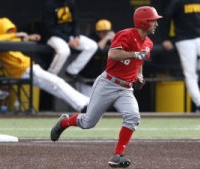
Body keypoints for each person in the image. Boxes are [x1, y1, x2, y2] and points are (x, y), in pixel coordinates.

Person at [50, 6, 162, 168]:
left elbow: (140, 61)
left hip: (126, 88)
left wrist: (139, 75)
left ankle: (117, 155)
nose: (156, 24)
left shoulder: (149, 43)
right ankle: (64, 123)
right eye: (153, 21)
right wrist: (134, 54)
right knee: (88, 122)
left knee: (133, 117)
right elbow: (113, 54)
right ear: (144, 22)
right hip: (108, 84)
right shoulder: (125, 34)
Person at [0, 17, 89, 113]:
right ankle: (83, 104)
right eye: (8, 30)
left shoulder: (12, 40)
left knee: (56, 85)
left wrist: (28, 37)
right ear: (1, 30)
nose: (10, 33)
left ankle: (84, 104)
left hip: (29, 69)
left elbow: (20, 40)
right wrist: (16, 34)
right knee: (56, 82)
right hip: (24, 71)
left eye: (11, 30)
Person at [160, 0, 200, 113]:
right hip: (184, 40)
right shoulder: (177, 2)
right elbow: (166, 18)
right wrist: (165, 38)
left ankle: (194, 68)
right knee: (190, 75)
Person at [42, 0, 98, 77]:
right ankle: (50, 76)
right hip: (54, 36)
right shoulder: (50, 4)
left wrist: (76, 36)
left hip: (69, 35)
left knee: (92, 45)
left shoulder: (70, 2)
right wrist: (68, 40)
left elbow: (75, 21)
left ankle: (72, 71)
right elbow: (49, 28)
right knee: (64, 51)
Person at [76, 19, 115, 96]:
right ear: (97, 32)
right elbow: (98, 48)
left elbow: (120, 48)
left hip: (101, 80)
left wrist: (114, 39)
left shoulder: (111, 39)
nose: (106, 34)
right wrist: (106, 38)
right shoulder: (92, 38)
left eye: (107, 32)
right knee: (87, 103)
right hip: (86, 79)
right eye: (103, 32)